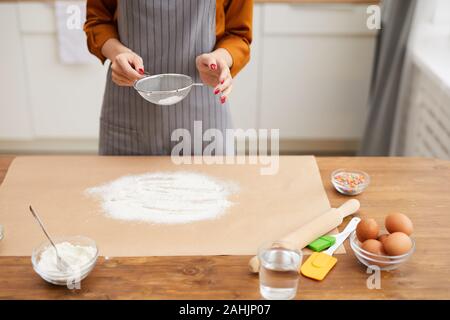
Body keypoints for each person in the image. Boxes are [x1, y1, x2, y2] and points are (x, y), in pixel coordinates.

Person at [84, 0, 253, 155]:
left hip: (205, 119)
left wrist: (220, 59)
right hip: (129, 114)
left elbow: (238, 33)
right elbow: (98, 21)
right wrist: (118, 54)